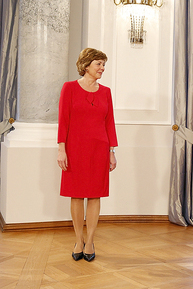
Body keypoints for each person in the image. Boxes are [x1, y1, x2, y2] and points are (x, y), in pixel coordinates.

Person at [57, 48, 118, 262]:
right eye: (99, 64)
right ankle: (78, 240)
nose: (102, 68)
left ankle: (90, 241)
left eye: (103, 65)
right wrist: (61, 149)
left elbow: (109, 122)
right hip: (74, 148)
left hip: (99, 149)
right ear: (86, 66)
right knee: (76, 194)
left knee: (95, 194)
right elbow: (63, 120)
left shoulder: (106, 92)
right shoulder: (70, 88)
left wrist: (112, 152)